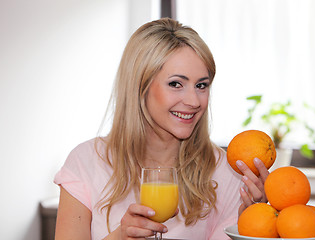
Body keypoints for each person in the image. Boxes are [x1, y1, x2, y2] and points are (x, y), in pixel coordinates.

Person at [54, 18, 269, 240]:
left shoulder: (227, 173)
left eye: (201, 85)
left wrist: (249, 227)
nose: (194, 101)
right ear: (140, 87)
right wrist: (119, 237)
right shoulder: (86, 162)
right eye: (176, 84)